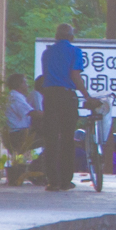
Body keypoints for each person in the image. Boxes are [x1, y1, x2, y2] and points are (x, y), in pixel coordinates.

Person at [40, 24, 90, 192]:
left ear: (56, 36)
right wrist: (87, 96)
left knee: (51, 139)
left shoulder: (47, 53)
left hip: (50, 96)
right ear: (71, 37)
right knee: (68, 139)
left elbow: (45, 76)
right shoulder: (74, 51)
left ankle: (52, 181)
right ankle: (65, 180)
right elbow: (75, 75)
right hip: (67, 96)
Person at [4, 74, 41, 154]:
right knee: (51, 136)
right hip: (17, 135)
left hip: (19, 133)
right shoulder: (15, 97)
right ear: (19, 84)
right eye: (25, 82)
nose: (27, 85)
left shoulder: (16, 96)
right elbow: (33, 113)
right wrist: (52, 113)